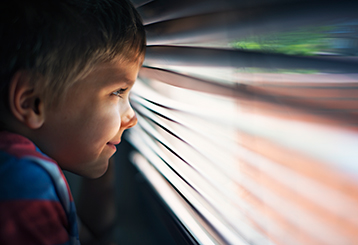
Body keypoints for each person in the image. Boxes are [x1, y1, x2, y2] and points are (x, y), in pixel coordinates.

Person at [0, 0, 146, 244]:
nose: (132, 118)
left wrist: (101, 172)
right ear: (32, 101)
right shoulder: (23, 182)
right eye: (118, 92)